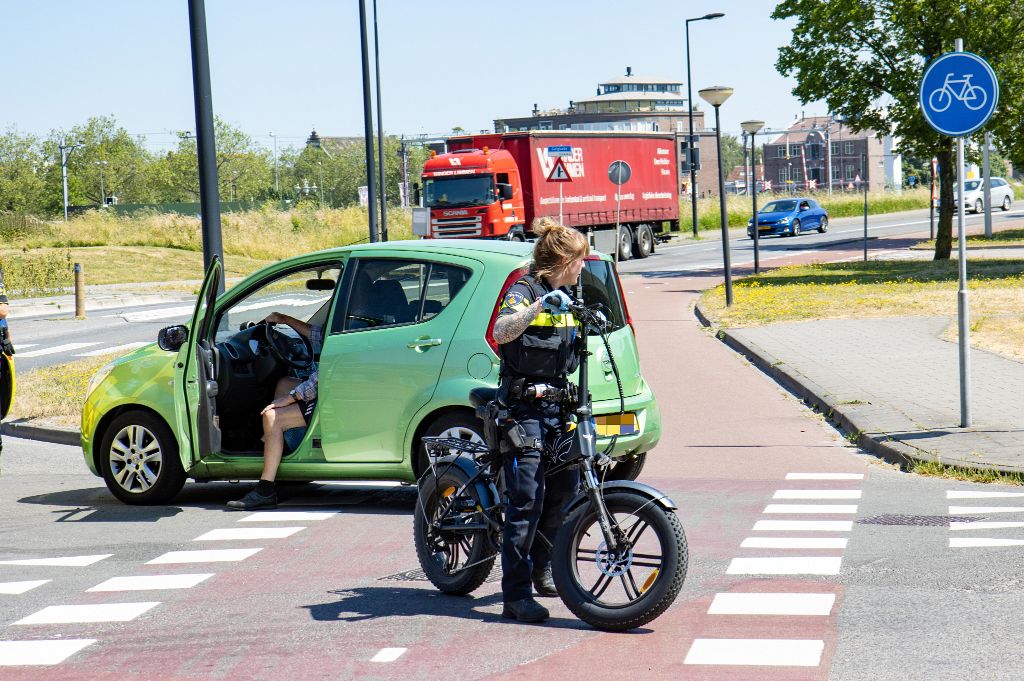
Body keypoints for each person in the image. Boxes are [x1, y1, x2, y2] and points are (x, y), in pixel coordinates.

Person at [492, 217, 588, 623]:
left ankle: (542, 568)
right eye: (580, 260)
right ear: (564, 259)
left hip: (556, 408)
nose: (584, 267)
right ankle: (514, 596)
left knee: (565, 489)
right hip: (522, 409)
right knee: (526, 499)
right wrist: (535, 308)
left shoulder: (565, 294)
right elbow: (501, 330)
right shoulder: (526, 290)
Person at [227, 311, 320, 510]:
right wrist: (285, 319)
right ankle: (278, 449)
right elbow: (319, 335)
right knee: (284, 382)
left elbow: (321, 380)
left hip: (331, 398)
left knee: (272, 416)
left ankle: (265, 489)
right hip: (333, 391)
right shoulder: (352, 322)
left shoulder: (351, 331)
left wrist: (291, 398)